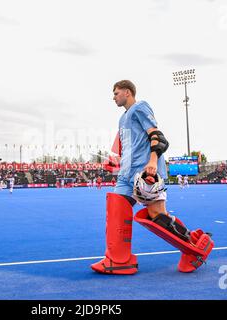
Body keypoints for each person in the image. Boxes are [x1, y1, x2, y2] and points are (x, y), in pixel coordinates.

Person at [91, 80, 213, 275]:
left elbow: (157, 136)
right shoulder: (122, 119)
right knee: (116, 208)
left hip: (145, 171)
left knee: (157, 217)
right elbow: (129, 146)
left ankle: (195, 248)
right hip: (126, 173)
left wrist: (153, 162)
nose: (113, 97)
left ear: (128, 92)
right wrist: (118, 163)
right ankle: (119, 260)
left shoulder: (140, 107)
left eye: (116, 93)